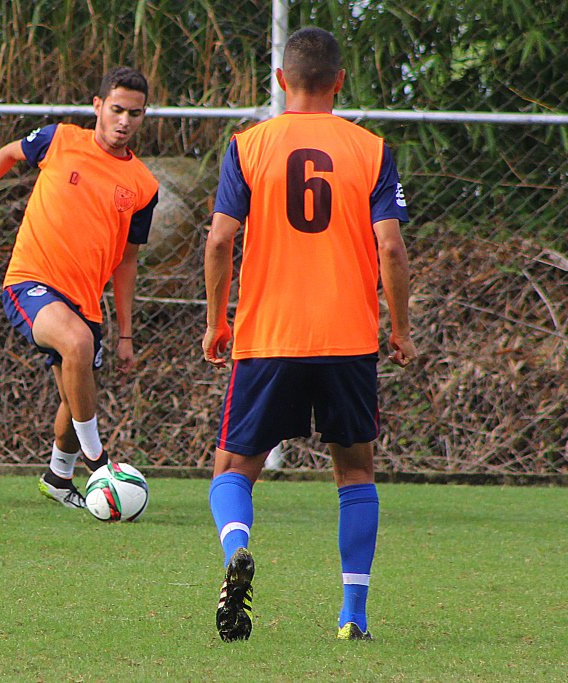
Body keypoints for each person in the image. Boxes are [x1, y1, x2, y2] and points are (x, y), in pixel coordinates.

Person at [203, 27, 416, 642]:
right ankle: (353, 615)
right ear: (339, 83)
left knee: (234, 467)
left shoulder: (249, 146)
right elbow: (392, 247)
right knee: (355, 472)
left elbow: (219, 240)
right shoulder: (370, 149)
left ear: (280, 81)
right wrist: (399, 329)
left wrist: (218, 321)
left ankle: (236, 551)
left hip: (269, 334)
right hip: (348, 336)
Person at [0, 67, 159, 508]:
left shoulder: (144, 186)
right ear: (98, 106)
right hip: (31, 280)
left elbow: (127, 262)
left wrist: (126, 334)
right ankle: (98, 461)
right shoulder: (60, 139)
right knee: (74, 344)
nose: (124, 121)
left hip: (87, 300)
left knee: (76, 393)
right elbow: (7, 154)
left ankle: (58, 477)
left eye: (135, 113)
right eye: (116, 109)